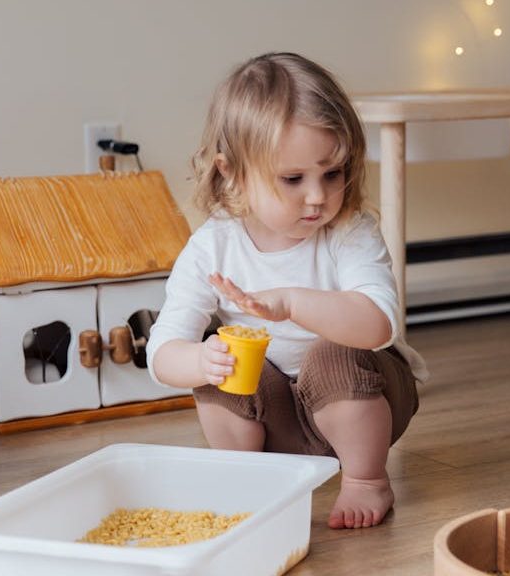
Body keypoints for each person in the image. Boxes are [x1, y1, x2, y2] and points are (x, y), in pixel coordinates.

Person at [146, 52, 428, 529]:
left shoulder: (349, 232)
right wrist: (200, 361)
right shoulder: (212, 246)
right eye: (294, 179)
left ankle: (365, 481)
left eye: (333, 173)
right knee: (224, 365)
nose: (318, 196)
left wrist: (292, 302)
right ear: (232, 172)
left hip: (363, 404)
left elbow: (378, 325)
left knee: (331, 354)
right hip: (275, 419)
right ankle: (250, 479)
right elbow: (161, 350)